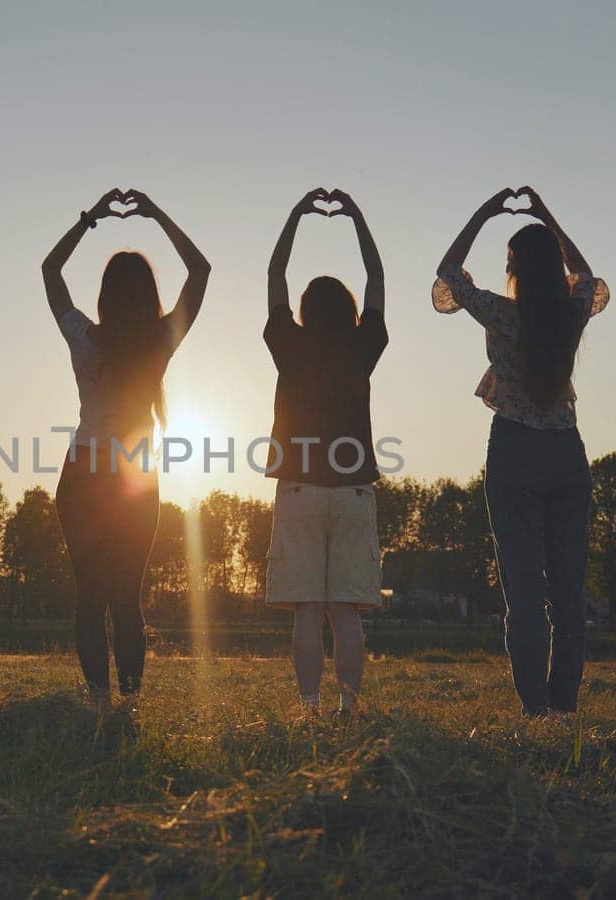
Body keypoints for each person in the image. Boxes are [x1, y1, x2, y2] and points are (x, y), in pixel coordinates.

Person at [432, 187, 609, 717]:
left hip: (513, 448)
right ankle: (564, 705)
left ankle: (535, 707)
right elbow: (587, 277)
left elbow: (449, 272)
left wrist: (485, 212)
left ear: (514, 267)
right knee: (569, 592)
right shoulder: (572, 312)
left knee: (524, 591)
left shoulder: (502, 314)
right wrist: (547, 217)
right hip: (565, 452)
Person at [41, 188, 210, 706]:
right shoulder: (160, 340)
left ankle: (99, 698)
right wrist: (157, 214)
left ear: (105, 296)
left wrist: (90, 218)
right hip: (135, 477)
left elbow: (51, 270)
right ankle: (130, 704)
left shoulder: (82, 337)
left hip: (84, 473)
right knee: (125, 596)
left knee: (90, 596)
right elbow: (200, 270)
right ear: (147, 295)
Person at [263, 188, 388, 717]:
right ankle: (349, 707)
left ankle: (310, 709)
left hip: (299, 489)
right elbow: (377, 280)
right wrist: (358, 218)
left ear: (305, 311)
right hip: (354, 490)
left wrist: (294, 216)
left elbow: (274, 278)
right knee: (346, 614)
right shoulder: (362, 346)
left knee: (307, 612)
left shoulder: (290, 344)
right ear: (350, 311)